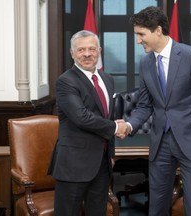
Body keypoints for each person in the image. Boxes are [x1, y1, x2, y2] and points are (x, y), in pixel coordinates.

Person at [117, 6, 191, 216]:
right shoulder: (146, 62)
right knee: (156, 207)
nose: (138, 41)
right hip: (160, 144)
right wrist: (129, 125)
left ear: (158, 30)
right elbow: (145, 106)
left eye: (141, 34)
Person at [47, 30, 128, 216]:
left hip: (101, 162)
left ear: (99, 51)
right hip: (74, 165)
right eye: (81, 49)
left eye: (92, 49)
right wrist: (116, 127)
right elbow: (82, 117)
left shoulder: (107, 79)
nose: (87, 54)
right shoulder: (66, 81)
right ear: (72, 53)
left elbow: (105, 116)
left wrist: (111, 153)